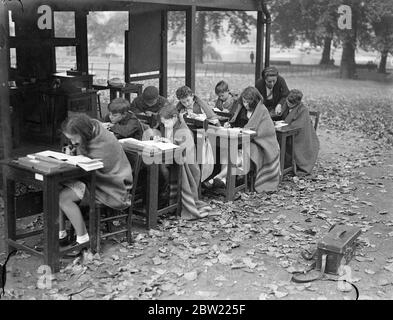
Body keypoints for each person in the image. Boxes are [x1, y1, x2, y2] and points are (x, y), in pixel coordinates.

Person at [59, 114, 133, 248]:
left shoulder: (104, 141)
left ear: (82, 132)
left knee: (64, 198)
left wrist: (74, 156)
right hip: (95, 180)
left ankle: (82, 239)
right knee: (55, 189)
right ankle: (61, 235)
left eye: (72, 138)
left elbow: (94, 168)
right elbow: (83, 154)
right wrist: (73, 151)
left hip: (112, 186)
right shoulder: (91, 131)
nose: (71, 141)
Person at [209, 87, 280, 192]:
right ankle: (223, 180)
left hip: (260, 145)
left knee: (240, 154)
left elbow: (266, 132)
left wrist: (244, 131)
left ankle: (218, 177)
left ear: (254, 101)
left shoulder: (262, 110)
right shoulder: (241, 108)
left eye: (248, 102)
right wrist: (230, 124)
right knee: (225, 149)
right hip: (242, 140)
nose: (245, 104)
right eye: (244, 101)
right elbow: (236, 122)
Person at [157, 103, 215, 219]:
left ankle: (167, 199)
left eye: (166, 122)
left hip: (187, 168)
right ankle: (164, 200)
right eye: (163, 123)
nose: (165, 125)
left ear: (174, 117)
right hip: (172, 161)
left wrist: (170, 145)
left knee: (162, 170)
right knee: (158, 168)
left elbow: (185, 155)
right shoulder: (170, 127)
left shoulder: (184, 131)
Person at [280, 89, 319, 175]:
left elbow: (299, 125)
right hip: (287, 131)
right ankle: (281, 163)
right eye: (288, 102)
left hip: (300, 136)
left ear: (297, 103)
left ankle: (288, 164)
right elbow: (283, 117)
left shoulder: (303, 110)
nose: (288, 105)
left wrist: (286, 125)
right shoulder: (286, 105)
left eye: (291, 104)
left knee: (285, 141)